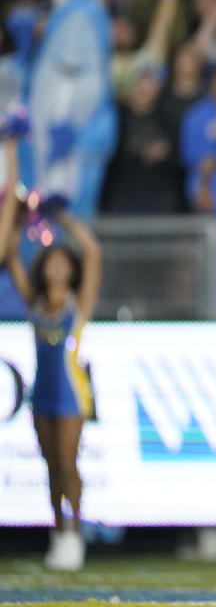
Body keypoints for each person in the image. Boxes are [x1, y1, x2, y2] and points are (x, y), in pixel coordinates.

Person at [6, 208, 102, 571]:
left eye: (65, 262)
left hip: (70, 395)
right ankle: (58, 532)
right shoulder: (34, 302)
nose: (58, 268)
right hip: (42, 394)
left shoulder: (79, 305)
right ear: (44, 267)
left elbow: (92, 252)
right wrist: (18, 219)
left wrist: (63, 220)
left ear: (71, 269)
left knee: (68, 463)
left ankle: (74, 531)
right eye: (53, 262)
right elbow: (11, 256)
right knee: (50, 467)